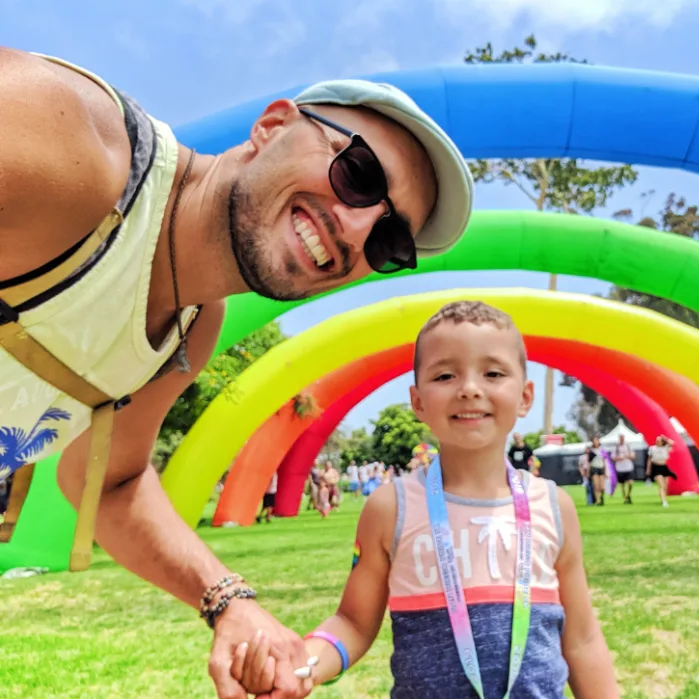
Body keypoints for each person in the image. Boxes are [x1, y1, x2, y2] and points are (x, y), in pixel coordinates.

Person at [0, 47, 473, 699]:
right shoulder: (72, 142)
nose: (358, 225)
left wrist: (229, 602)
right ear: (273, 125)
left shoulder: (194, 324)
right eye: (358, 171)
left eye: (390, 241)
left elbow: (109, 480)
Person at [232, 300, 618, 697]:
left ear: (524, 396)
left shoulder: (554, 507)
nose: (469, 388)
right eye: (446, 374)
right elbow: (352, 622)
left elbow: (583, 640)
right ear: (417, 401)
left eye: (493, 373)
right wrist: (303, 666)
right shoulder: (390, 508)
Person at [646, 435, 678, 508]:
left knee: (665, 486)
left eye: (659, 440)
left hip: (664, 467)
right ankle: (664, 501)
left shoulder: (665, 448)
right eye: (656, 440)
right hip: (656, 467)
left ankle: (663, 498)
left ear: (662, 442)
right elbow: (649, 460)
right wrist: (648, 470)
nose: (657, 442)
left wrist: (665, 438)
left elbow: (673, 443)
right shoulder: (652, 448)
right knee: (661, 485)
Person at [613, 435, 636, 504]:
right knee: (622, 484)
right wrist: (619, 458)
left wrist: (628, 456)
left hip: (628, 467)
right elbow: (613, 457)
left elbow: (633, 456)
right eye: (620, 438)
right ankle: (625, 498)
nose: (622, 439)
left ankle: (629, 494)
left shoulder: (628, 446)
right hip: (620, 468)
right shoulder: (616, 448)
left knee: (630, 482)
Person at [587, 436, 608, 507]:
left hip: (601, 468)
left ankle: (601, 497)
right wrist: (588, 472)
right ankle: (598, 500)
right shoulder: (591, 451)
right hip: (594, 468)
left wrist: (605, 471)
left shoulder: (602, 450)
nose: (595, 442)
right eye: (594, 441)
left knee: (602, 487)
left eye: (596, 440)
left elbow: (604, 461)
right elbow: (589, 462)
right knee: (596, 486)